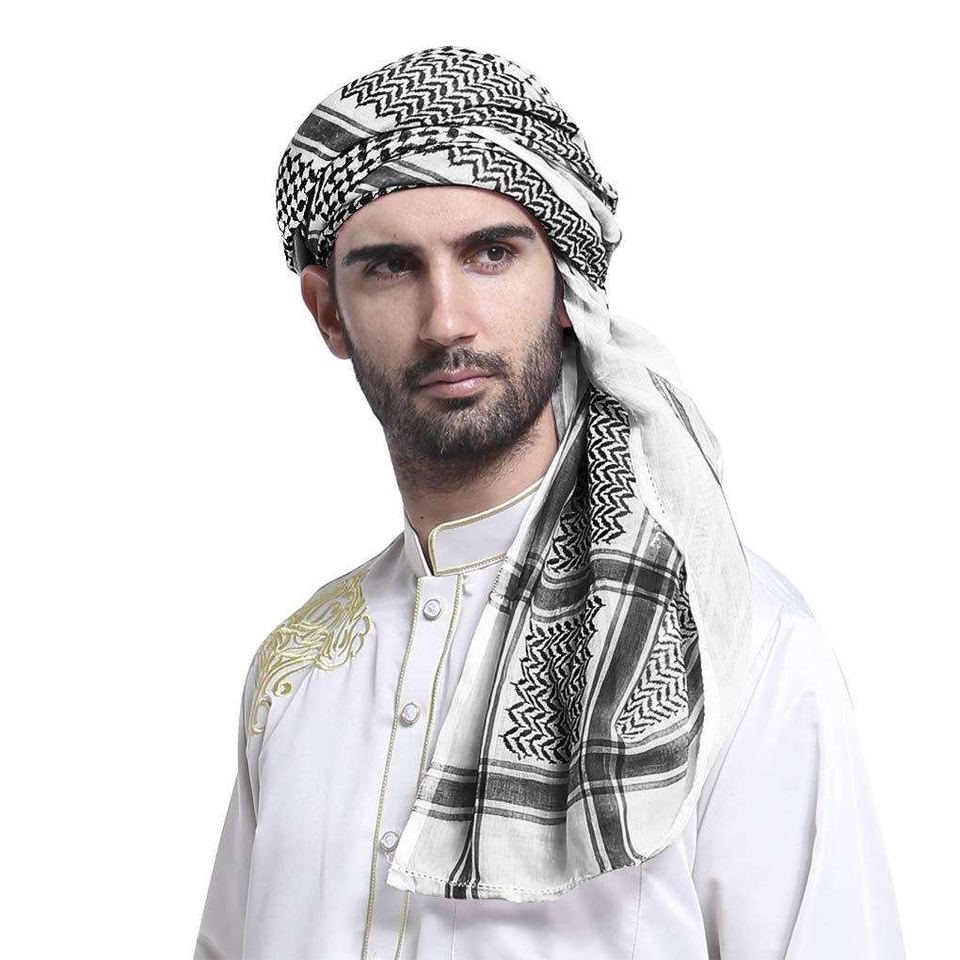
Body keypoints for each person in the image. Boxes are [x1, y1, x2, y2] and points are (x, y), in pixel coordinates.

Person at [193, 46, 905, 960]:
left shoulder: (737, 641)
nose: (446, 320)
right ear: (329, 312)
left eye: (491, 254)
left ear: (568, 284)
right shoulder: (295, 672)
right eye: (391, 267)